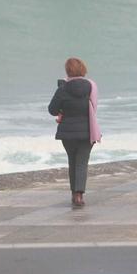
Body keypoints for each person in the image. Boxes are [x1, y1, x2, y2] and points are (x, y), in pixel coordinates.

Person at [49, 57, 102, 207]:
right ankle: (79, 195)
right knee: (82, 162)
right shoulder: (91, 86)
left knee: (72, 161)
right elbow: (94, 107)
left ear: (68, 71)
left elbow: (52, 110)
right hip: (87, 130)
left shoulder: (62, 89)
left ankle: (74, 194)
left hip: (67, 132)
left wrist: (62, 109)